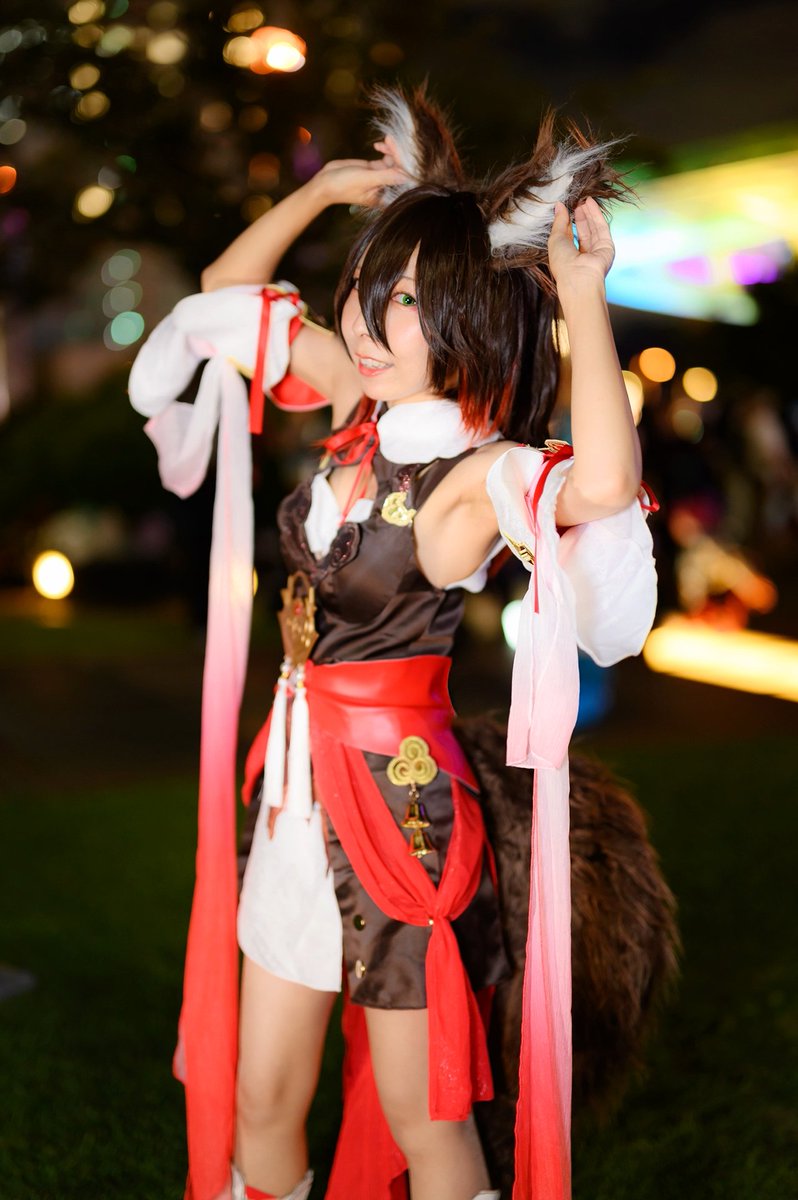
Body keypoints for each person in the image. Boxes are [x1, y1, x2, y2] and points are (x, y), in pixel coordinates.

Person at [129, 85, 659, 1200]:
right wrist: (323, 191)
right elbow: (225, 296)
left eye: (408, 299)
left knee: (429, 1128)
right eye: (369, 288)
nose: (368, 324)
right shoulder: (356, 411)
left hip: (395, 822)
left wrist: (581, 293)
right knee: (263, 1101)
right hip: (292, 798)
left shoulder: (472, 476)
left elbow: (606, 485)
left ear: (469, 314)